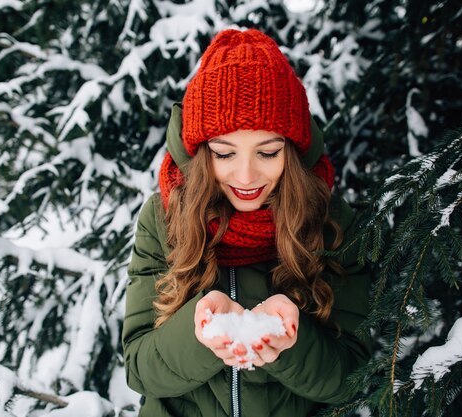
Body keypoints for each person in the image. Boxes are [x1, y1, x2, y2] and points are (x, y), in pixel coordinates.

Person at [122, 28, 371, 417]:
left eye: (268, 152)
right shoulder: (164, 217)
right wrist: (198, 334)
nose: (246, 175)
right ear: (202, 154)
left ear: (293, 150)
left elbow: (356, 377)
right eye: (224, 153)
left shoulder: (331, 222)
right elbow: (139, 369)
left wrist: (293, 344)